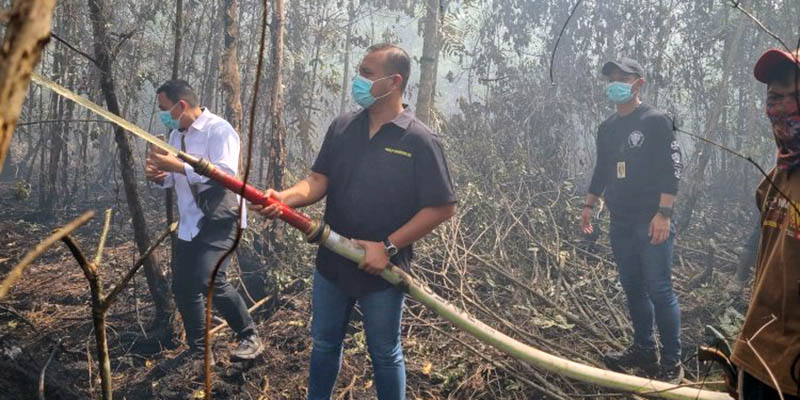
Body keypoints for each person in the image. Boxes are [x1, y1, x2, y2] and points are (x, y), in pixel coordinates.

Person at [253, 43, 457, 400]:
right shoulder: (343, 126)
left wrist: (389, 246)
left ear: (394, 82)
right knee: (325, 344)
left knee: (384, 353)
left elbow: (441, 207)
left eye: (366, 74)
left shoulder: (420, 141)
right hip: (332, 264)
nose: (357, 81)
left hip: (383, 271)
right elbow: (318, 180)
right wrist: (283, 197)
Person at [580, 58, 684, 382]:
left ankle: (671, 362)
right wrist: (589, 204)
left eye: (622, 77)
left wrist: (664, 214)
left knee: (659, 288)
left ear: (639, 82)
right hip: (620, 221)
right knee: (632, 287)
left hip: (651, 220)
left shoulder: (656, 121)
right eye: (611, 78)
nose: (615, 83)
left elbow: (673, 169)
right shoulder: (607, 127)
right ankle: (644, 349)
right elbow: (602, 169)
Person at [145, 79, 263, 361]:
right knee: (184, 285)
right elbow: (176, 179)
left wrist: (177, 166)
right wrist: (161, 177)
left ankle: (249, 336)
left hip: (221, 219)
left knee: (210, 278)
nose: (163, 114)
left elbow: (226, 175)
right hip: (190, 223)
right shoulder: (177, 135)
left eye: (164, 109)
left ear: (181, 105)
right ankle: (199, 351)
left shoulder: (219, 131)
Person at [730, 48, 800, 400]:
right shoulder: (774, 178)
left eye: (795, 97)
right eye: (775, 97)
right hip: (757, 358)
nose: (783, 108)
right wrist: (741, 356)